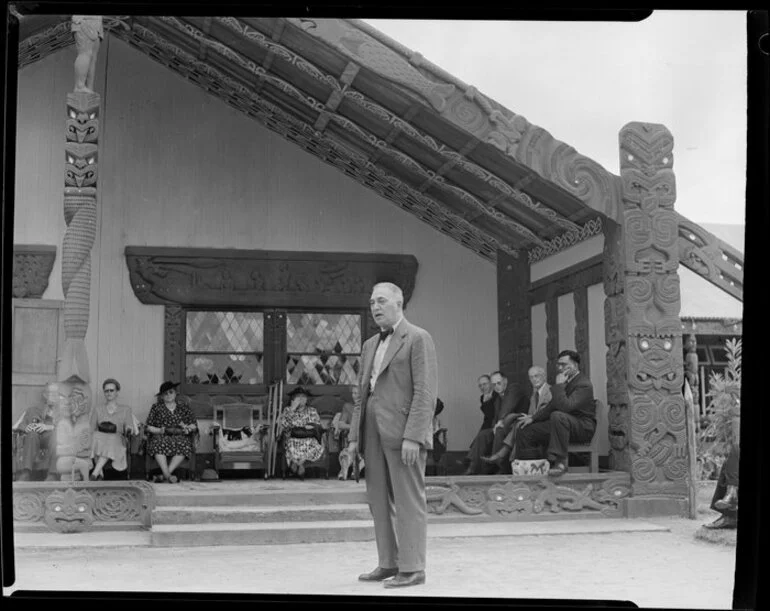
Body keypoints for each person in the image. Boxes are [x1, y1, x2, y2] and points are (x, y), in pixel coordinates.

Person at [348, 282, 438, 588]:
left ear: (398, 304)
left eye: (382, 301)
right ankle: (388, 562)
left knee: (408, 499)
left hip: (402, 433)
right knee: (378, 498)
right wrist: (352, 438)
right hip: (372, 429)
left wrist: (414, 435)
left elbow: (425, 392)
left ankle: (413, 567)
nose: (375, 307)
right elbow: (360, 394)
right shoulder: (369, 344)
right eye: (372, 301)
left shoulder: (417, 338)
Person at [511, 350, 596, 476]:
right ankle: (530, 469)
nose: (560, 368)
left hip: (581, 427)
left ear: (575, 365)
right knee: (525, 429)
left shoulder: (584, 384)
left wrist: (560, 385)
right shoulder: (568, 382)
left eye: (564, 364)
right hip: (562, 424)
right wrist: (533, 418)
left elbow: (566, 406)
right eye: (559, 365)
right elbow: (553, 405)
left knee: (557, 415)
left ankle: (560, 462)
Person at [482, 366, 552, 471]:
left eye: (536, 376)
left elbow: (548, 411)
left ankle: (503, 457)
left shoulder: (549, 390)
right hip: (532, 423)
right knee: (516, 425)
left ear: (544, 376)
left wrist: (531, 417)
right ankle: (503, 460)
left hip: (546, 425)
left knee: (518, 424)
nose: (534, 379)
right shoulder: (534, 395)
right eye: (531, 377)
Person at [145, 381, 198, 483]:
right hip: (161, 435)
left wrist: (187, 427)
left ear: (175, 393)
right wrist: (159, 430)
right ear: (161, 396)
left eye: (171, 392)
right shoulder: (156, 407)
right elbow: (148, 426)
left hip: (180, 436)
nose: (168, 395)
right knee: (157, 443)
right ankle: (168, 475)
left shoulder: (184, 406)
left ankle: (164, 475)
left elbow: (193, 424)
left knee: (184, 443)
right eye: (165, 393)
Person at [89, 378, 136, 480]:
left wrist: (129, 428)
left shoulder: (125, 409)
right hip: (100, 438)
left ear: (117, 392)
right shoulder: (97, 409)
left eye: (111, 390)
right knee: (95, 436)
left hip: (118, 439)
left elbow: (130, 426)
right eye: (106, 391)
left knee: (112, 438)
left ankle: (95, 473)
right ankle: (99, 473)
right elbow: (91, 429)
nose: (109, 393)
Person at [14, 382, 62, 481]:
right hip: (37, 438)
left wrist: (49, 427)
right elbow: (20, 424)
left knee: (57, 435)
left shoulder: (64, 410)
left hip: (52, 437)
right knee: (31, 434)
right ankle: (26, 472)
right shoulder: (35, 409)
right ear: (45, 395)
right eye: (51, 393)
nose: (54, 396)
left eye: (56, 393)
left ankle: (52, 474)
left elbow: (68, 427)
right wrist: (26, 427)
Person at [277, 386, 326, 478]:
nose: (301, 399)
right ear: (293, 399)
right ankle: (299, 465)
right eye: (298, 397)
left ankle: (298, 463)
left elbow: (316, 425)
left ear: (307, 399)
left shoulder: (312, 411)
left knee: (314, 444)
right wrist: (292, 409)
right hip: (293, 438)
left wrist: (300, 425)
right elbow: (285, 425)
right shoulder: (287, 410)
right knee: (291, 444)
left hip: (309, 438)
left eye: (303, 397)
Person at [484, 371, 528, 474]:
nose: (496, 386)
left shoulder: (513, 388)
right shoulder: (497, 399)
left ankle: (498, 466)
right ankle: (492, 467)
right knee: (486, 434)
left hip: (520, 421)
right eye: (494, 385)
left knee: (501, 427)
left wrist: (500, 421)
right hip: (507, 425)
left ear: (505, 381)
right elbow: (492, 417)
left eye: (499, 383)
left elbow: (508, 406)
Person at [463, 374, 498, 475]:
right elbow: (487, 416)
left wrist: (486, 402)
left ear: (491, 384)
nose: (483, 387)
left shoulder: (496, 395)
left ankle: (471, 465)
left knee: (481, 438)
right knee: (477, 441)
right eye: (480, 385)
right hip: (487, 425)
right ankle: (471, 463)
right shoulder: (483, 397)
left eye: (485, 384)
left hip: (495, 424)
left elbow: (492, 414)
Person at [71, 15, 103, 93]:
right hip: (84, 20)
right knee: (85, 53)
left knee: (92, 58)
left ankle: (89, 88)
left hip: (96, 23)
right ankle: (80, 86)